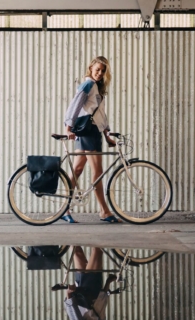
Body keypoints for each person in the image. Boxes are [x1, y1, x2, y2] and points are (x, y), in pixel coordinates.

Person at [62, 56, 120, 224]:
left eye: (103, 71)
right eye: (97, 70)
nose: (100, 73)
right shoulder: (89, 84)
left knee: (77, 171)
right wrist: (68, 126)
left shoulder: (97, 88)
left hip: (89, 131)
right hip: (89, 132)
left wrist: (107, 135)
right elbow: (75, 105)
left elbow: (100, 114)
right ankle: (104, 211)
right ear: (90, 68)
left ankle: (64, 209)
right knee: (97, 174)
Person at [63, 247, 116, 320]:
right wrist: (107, 284)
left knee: (97, 250)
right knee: (77, 251)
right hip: (88, 291)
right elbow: (100, 308)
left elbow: (75, 319)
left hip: (88, 291)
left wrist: (69, 296)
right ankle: (72, 230)